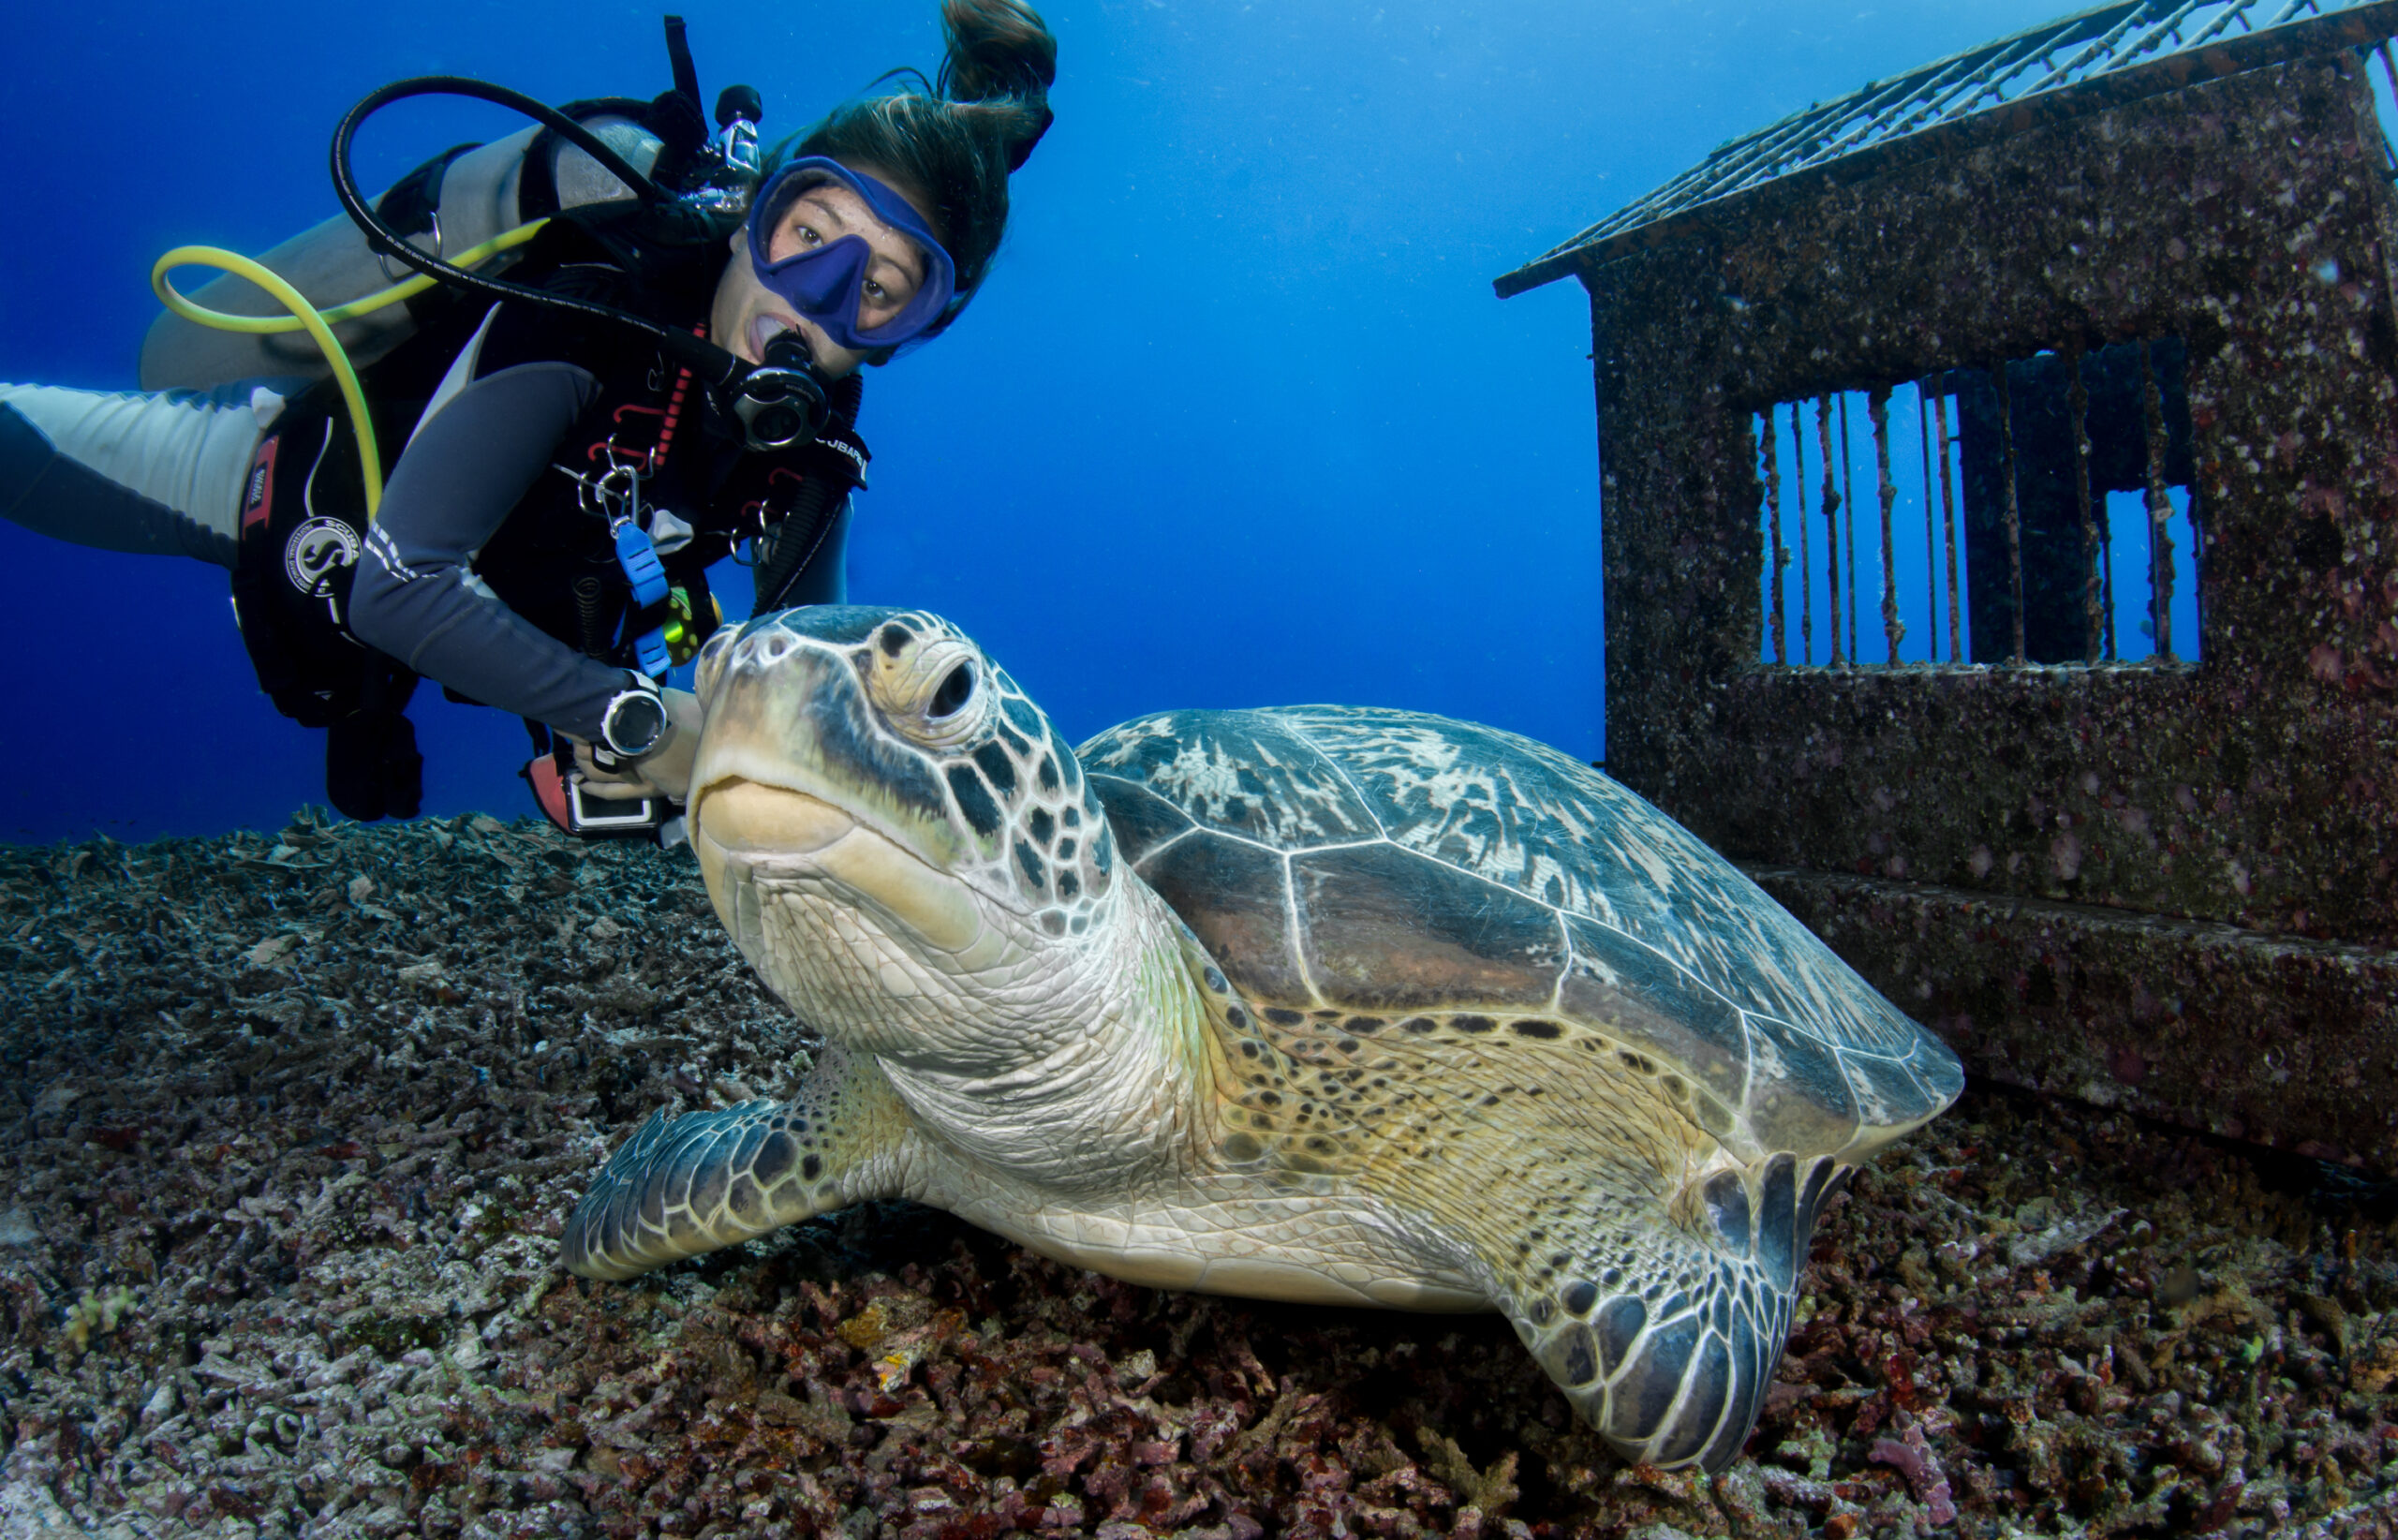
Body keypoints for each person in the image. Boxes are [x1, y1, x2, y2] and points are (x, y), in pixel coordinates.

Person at [0, 0, 1056, 830]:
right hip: (270, 479)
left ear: (908, 331)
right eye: (807, 233)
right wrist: (635, 720)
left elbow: (794, 673)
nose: (813, 300)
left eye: (877, 289)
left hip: (458, 619)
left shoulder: (809, 460)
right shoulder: (594, 320)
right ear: (748, 220)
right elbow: (398, 585)